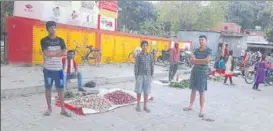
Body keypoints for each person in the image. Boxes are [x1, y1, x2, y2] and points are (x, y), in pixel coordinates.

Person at [41, 21, 71, 117]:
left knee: (60, 89)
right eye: (50, 27)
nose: (53, 29)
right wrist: (59, 52)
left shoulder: (61, 40)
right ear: (47, 29)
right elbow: (47, 53)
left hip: (59, 70)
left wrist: (54, 53)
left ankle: (63, 109)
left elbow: (65, 52)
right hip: (48, 70)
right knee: (48, 88)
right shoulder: (44, 40)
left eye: (54, 27)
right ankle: (49, 108)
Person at [183, 35, 212, 117]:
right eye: (200, 40)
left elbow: (207, 60)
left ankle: (202, 109)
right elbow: (192, 61)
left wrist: (197, 61)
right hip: (194, 72)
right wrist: (201, 61)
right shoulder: (196, 50)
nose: (201, 41)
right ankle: (190, 105)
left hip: (203, 73)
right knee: (193, 89)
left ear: (206, 41)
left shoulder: (208, 50)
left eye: (202, 40)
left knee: (201, 91)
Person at [134, 40, 154, 113]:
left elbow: (152, 66)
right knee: (139, 91)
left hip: (148, 76)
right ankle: (138, 105)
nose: (145, 47)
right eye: (143, 45)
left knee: (146, 91)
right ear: (141, 46)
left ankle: (145, 106)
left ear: (147, 46)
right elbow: (136, 66)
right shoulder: (138, 55)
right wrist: (136, 76)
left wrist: (151, 75)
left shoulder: (150, 55)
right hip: (140, 75)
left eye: (146, 45)